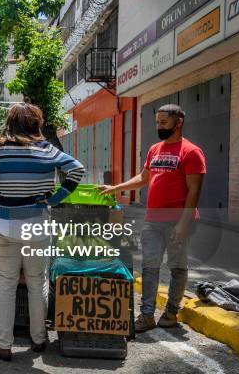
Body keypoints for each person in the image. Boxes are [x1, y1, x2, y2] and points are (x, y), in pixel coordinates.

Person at [0, 103, 85, 361]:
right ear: (36, 123)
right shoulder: (48, 149)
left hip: (3, 224)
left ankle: (4, 344)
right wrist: (55, 198)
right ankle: (38, 339)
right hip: (38, 223)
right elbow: (76, 169)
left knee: (7, 283)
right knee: (37, 282)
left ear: (10, 122)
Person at [99, 104, 205, 332]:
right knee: (150, 266)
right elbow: (144, 177)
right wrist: (116, 187)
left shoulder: (191, 152)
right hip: (152, 219)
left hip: (179, 220)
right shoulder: (155, 149)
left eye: (164, 122)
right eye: (157, 122)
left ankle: (171, 312)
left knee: (177, 267)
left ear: (179, 123)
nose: (159, 126)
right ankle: (146, 315)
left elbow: (194, 190)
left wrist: (183, 224)